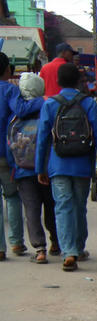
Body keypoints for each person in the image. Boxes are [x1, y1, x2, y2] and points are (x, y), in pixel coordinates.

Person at [35, 62, 97, 272]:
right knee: (79, 206)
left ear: (59, 81)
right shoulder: (88, 103)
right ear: (79, 81)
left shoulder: (50, 105)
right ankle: (79, 248)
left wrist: (39, 168)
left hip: (58, 164)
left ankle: (68, 252)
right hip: (82, 164)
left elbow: (42, 139)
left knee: (62, 207)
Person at [12, 72, 58, 264]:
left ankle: (39, 249)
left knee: (31, 209)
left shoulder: (15, 117)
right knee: (51, 206)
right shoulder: (48, 110)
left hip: (23, 171)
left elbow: (10, 146)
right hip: (46, 169)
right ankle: (56, 242)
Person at [0, 53, 41, 260]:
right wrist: (43, 100)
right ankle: (16, 242)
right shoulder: (9, 90)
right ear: (6, 70)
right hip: (5, 153)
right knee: (12, 197)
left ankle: (0, 247)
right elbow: (21, 110)